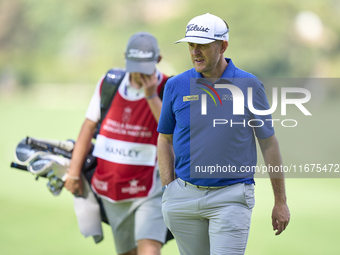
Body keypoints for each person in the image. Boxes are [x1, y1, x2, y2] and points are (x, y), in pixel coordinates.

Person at [157, 13, 290, 255]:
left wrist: (280, 201)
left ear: (223, 45)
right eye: (191, 44)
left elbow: (268, 143)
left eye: (203, 45)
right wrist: (169, 188)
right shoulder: (175, 85)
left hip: (231, 197)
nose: (195, 51)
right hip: (183, 197)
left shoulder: (249, 85)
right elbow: (164, 138)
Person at [64, 32, 169, 255]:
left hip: (150, 187)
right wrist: (73, 173)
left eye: (145, 65)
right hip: (111, 189)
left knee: (149, 249)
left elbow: (171, 131)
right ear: (125, 58)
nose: (139, 71)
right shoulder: (109, 83)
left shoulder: (168, 87)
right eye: (134, 64)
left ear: (158, 60)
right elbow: (88, 127)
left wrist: (151, 96)